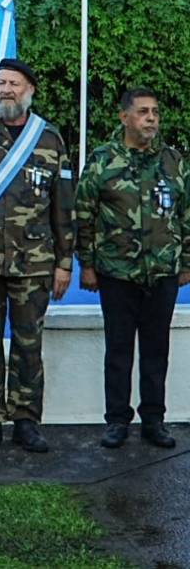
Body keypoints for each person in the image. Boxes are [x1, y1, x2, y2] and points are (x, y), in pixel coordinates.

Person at [0, 58, 74, 454]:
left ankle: (26, 420)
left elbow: (64, 205)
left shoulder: (49, 139)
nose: (6, 90)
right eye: (0, 84)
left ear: (29, 90)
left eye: (13, 83)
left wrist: (65, 262)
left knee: (29, 345)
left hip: (35, 262)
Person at [76, 87, 190, 450]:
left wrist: (185, 263)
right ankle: (117, 420)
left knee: (157, 350)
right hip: (117, 273)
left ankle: (154, 420)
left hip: (162, 274)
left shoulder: (174, 161)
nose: (151, 118)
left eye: (155, 112)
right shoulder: (102, 159)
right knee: (119, 349)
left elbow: (186, 215)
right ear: (124, 117)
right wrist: (87, 265)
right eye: (143, 112)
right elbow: (84, 215)